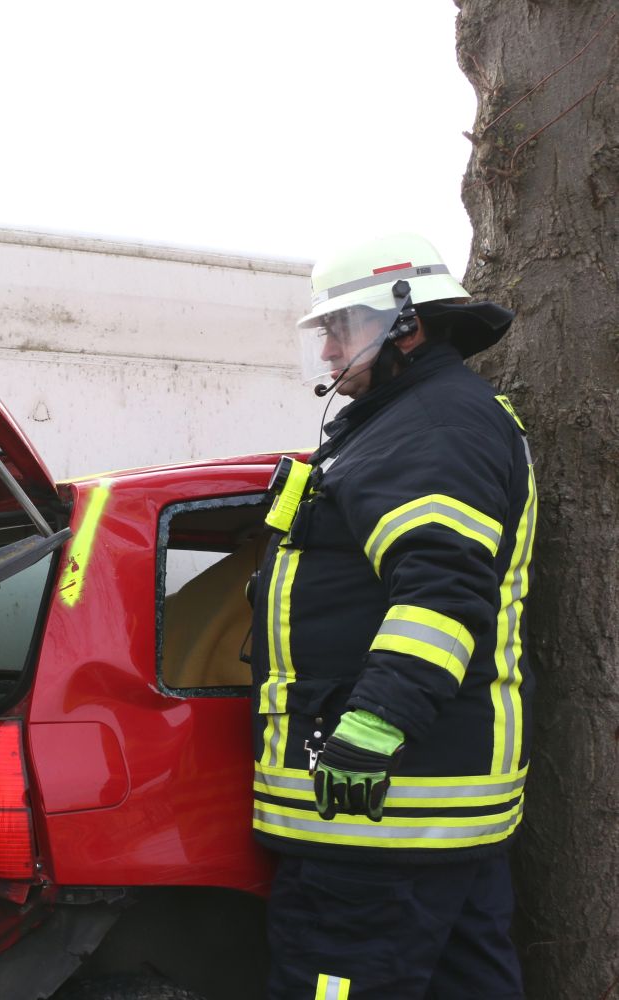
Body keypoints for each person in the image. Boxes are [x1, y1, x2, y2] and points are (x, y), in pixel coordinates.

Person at [250, 233, 535, 998]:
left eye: (340, 330)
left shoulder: (434, 427)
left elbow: (443, 594)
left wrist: (373, 727)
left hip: (382, 815)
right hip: (418, 815)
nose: (327, 354)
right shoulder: (412, 421)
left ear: (403, 325)